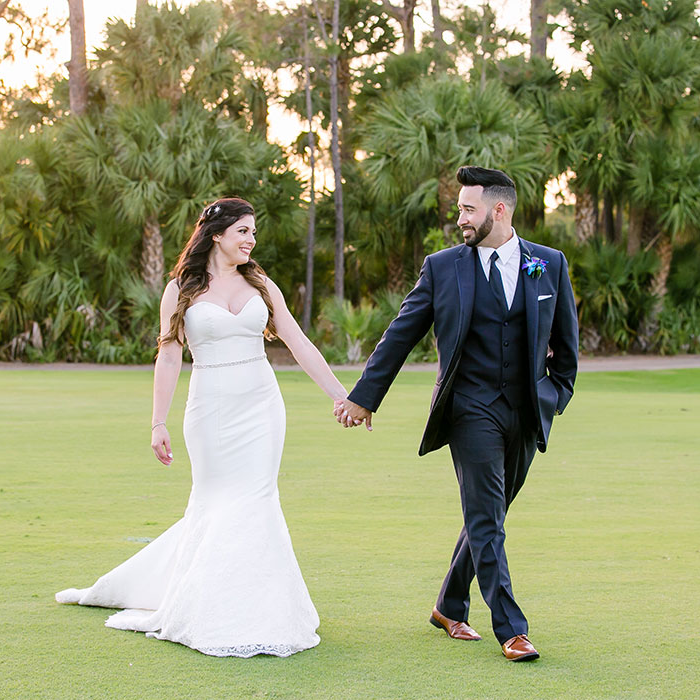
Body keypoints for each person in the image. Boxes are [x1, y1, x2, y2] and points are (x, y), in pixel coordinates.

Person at [56, 197, 349, 658]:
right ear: (218, 235)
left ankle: (265, 611)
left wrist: (340, 394)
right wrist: (158, 422)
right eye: (244, 232)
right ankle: (206, 605)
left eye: (254, 233)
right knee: (216, 503)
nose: (252, 241)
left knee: (257, 500)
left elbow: (297, 341)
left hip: (261, 406)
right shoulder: (181, 289)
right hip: (210, 409)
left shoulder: (262, 285)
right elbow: (170, 354)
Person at [335, 166, 578, 661]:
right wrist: (364, 396)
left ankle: (448, 604)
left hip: (527, 411)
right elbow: (401, 333)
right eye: (460, 208)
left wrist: (554, 397)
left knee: (489, 513)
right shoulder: (443, 267)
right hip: (469, 409)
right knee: (488, 517)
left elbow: (566, 347)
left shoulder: (548, 264)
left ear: (500, 210)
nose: (460, 217)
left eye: (469, 209)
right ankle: (511, 627)